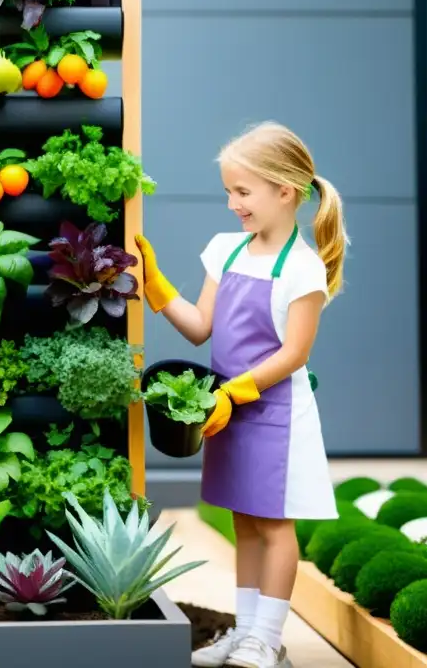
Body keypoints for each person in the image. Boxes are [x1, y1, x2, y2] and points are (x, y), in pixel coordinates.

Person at [135, 122, 348, 668]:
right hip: (226, 411)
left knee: (275, 526)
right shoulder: (225, 250)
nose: (233, 203)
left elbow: (294, 353)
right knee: (244, 521)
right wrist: (157, 284)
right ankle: (244, 632)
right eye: (229, 191)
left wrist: (233, 392)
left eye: (243, 191)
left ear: (285, 191)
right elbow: (201, 326)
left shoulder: (302, 269)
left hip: (275, 414)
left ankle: (267, 640)